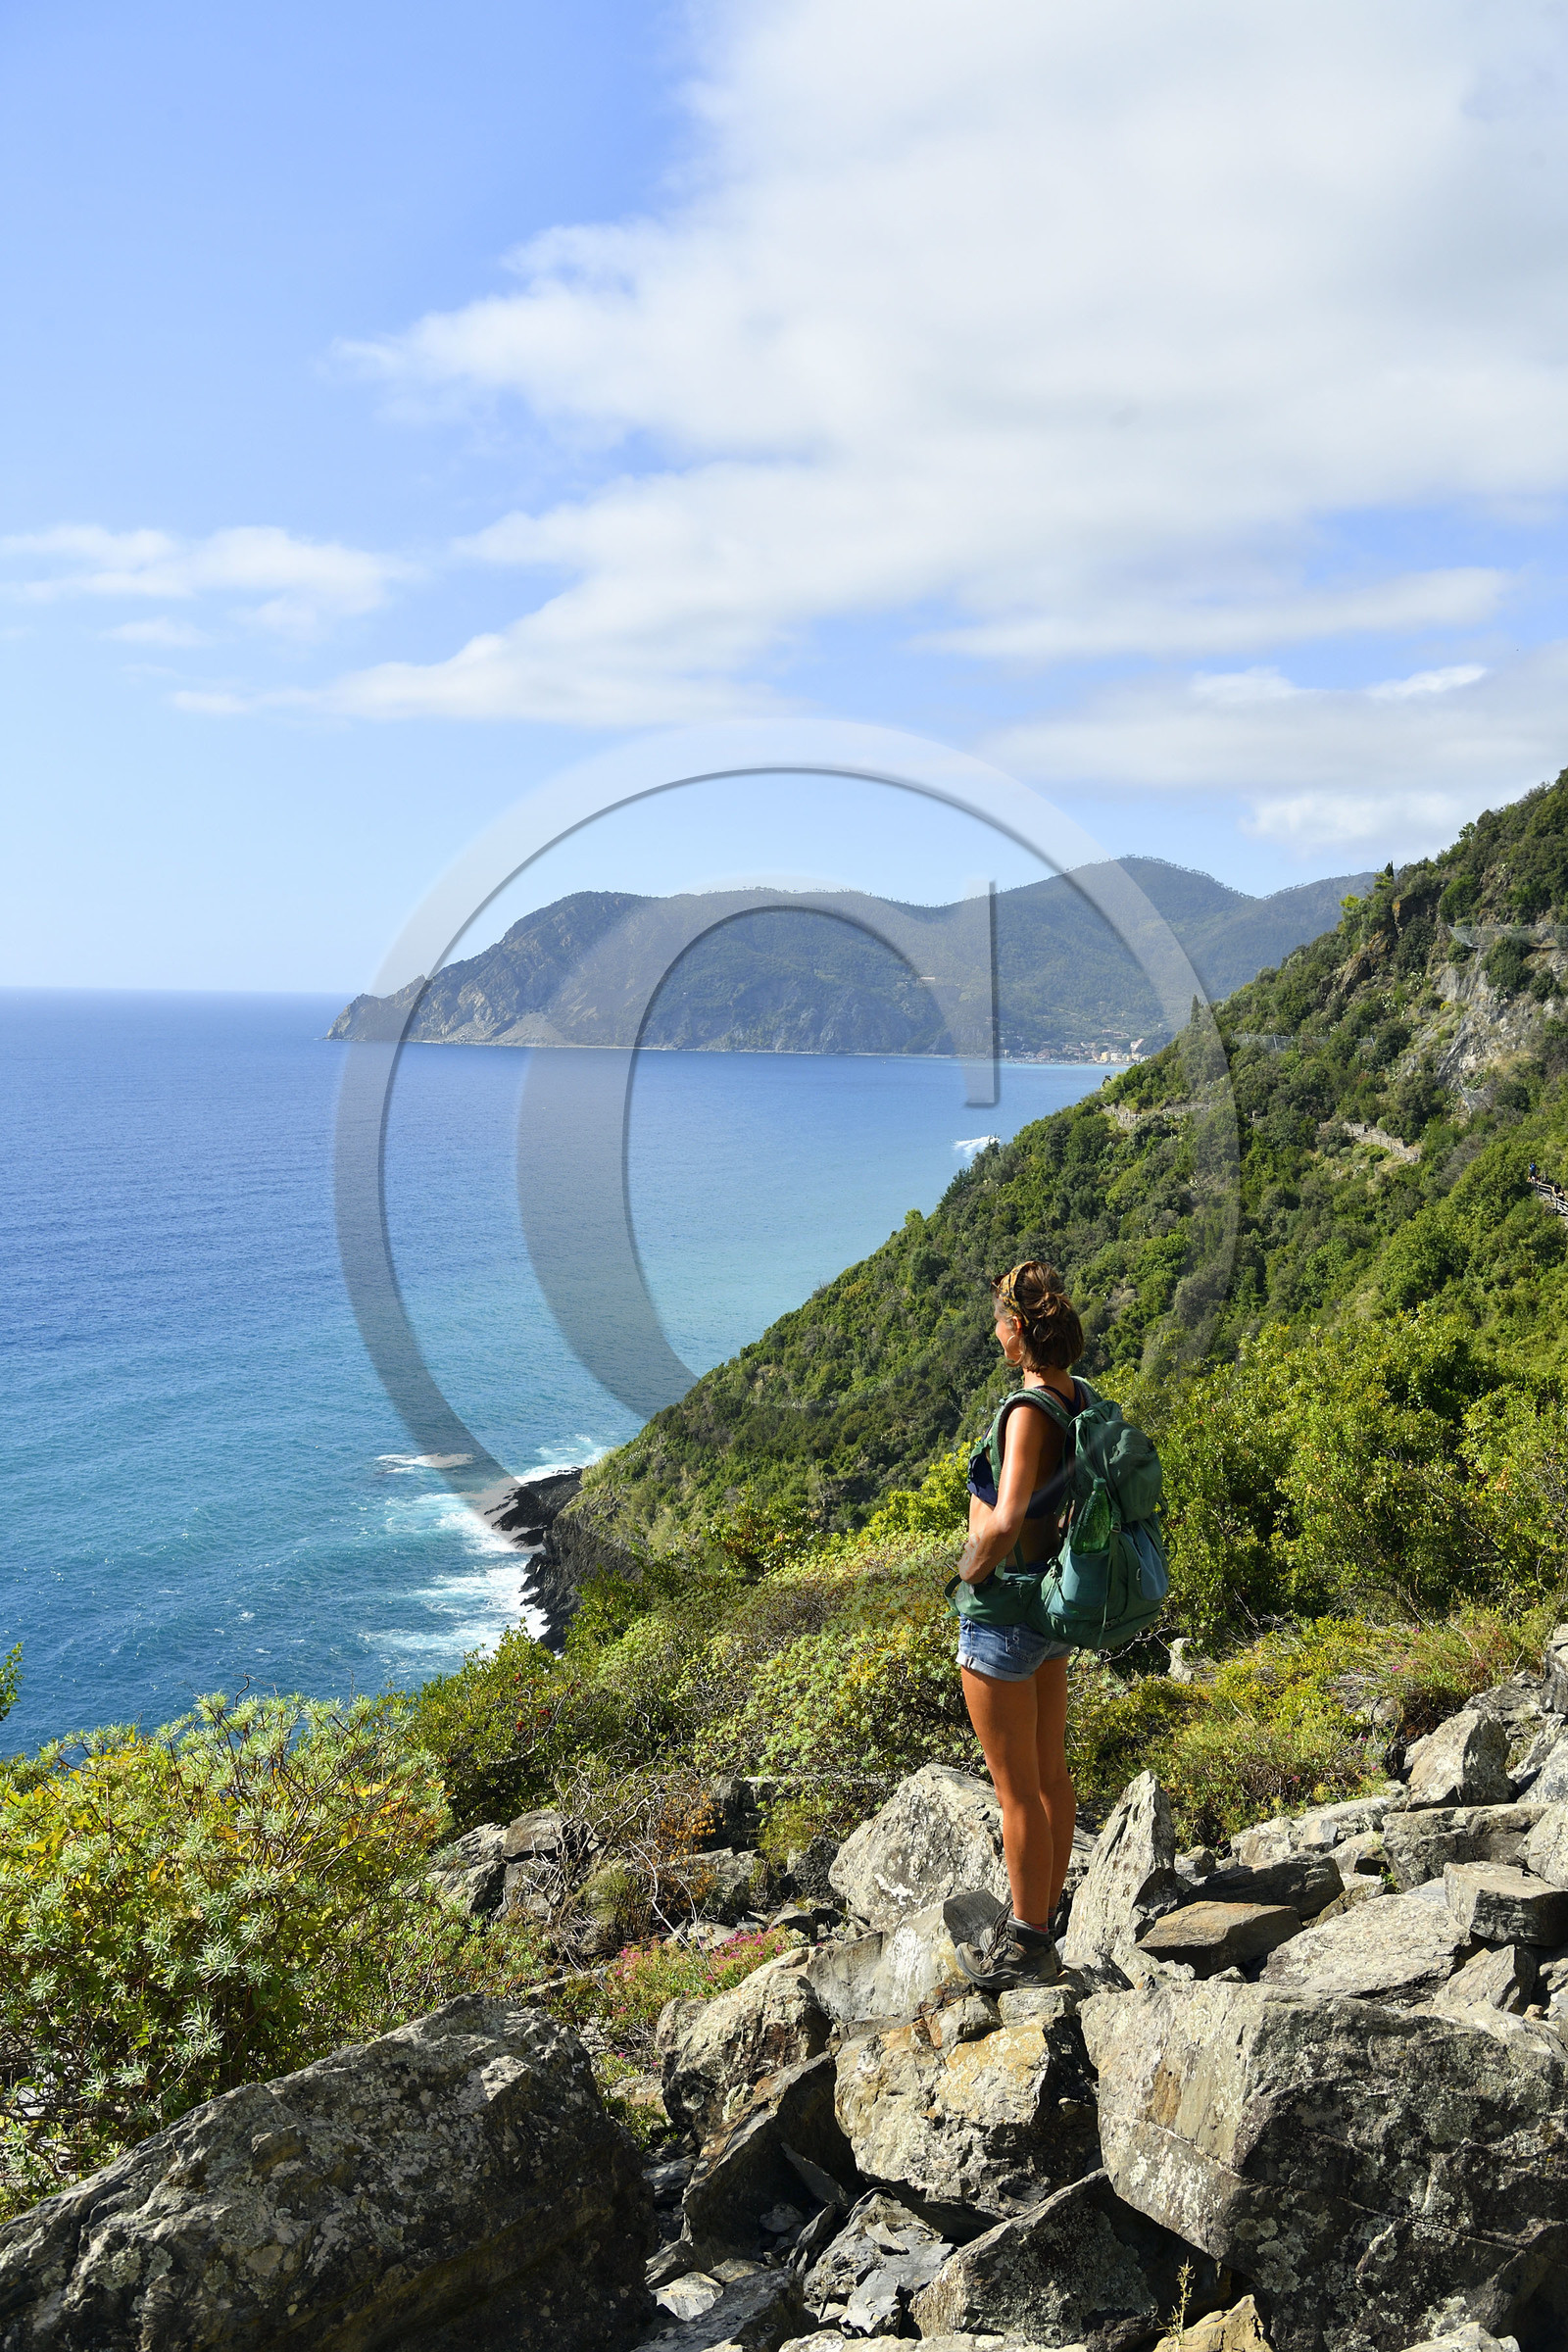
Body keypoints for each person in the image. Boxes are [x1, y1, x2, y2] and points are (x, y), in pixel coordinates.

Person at [945, 1260, 1083, 1991]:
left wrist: (965, 1572)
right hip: (1049, 1607)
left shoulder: (1028, 1409)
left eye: (999, 1322)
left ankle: (1026, 1945)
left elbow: (1004, 1520)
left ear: (1018, 1328)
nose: (993, 1333)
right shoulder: (1073, 1394)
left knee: (1016, 1792)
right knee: (1049, 1776)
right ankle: (1041, 1918)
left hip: (1004, 1614)